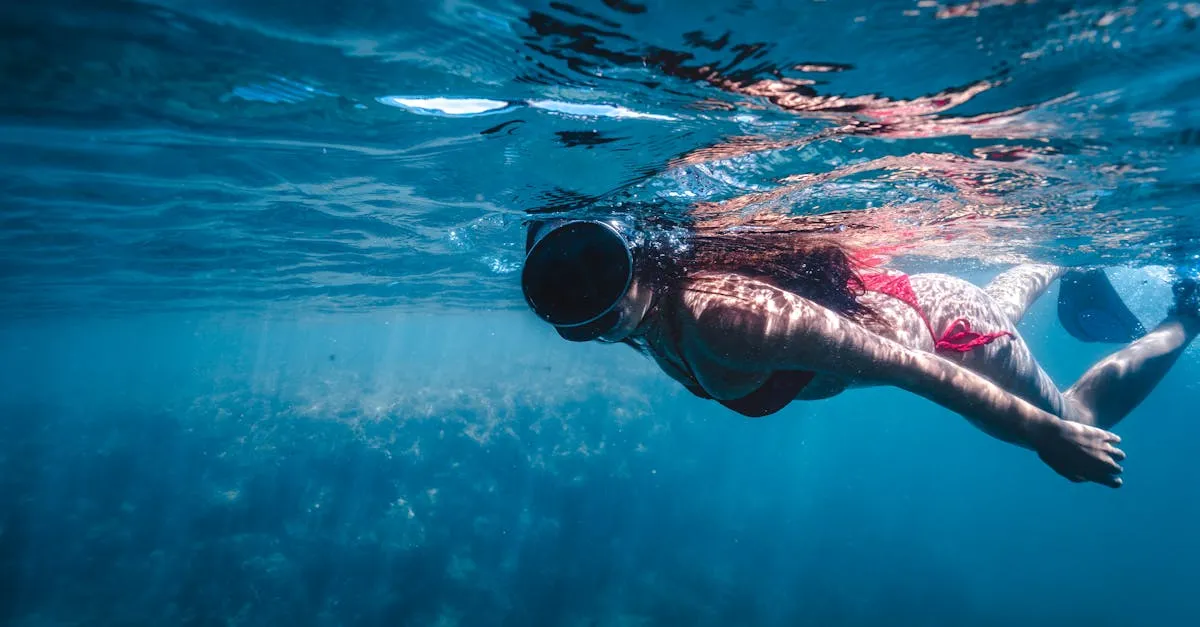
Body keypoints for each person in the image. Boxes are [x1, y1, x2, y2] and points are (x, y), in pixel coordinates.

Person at [519, 216, 1200, 488]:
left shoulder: (716, 316)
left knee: (1081, 413)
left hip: (943, 335)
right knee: (991, 306)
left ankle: (1186, 316)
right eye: (557, 283)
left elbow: (907, 365)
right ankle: (1052, 251)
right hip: (930, 306)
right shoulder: (656, 313)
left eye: (594, 268)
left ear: (637, 254)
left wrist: (1048, 434)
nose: (584, 294)